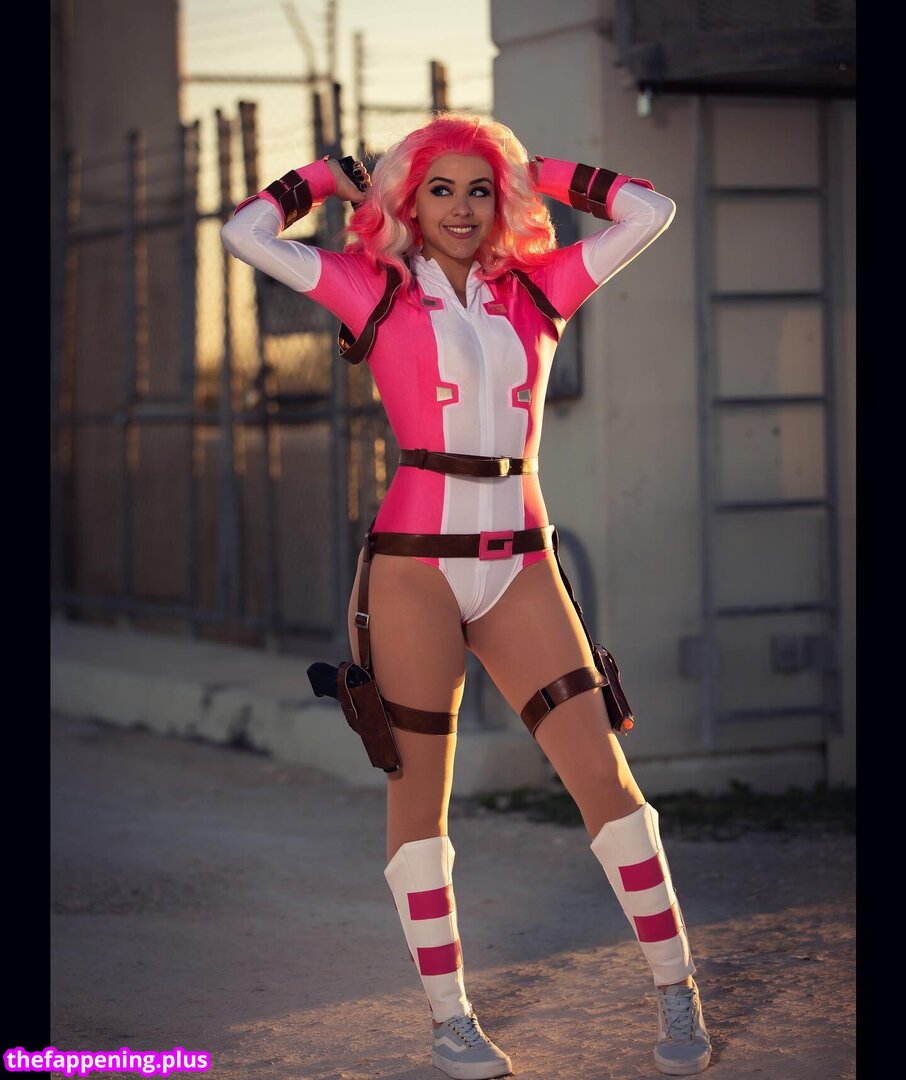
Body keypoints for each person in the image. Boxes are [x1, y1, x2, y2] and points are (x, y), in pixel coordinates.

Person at [221, 111, 711, 1079]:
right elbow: (245, 234)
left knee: (609, 783)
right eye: (438, 189)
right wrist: (323, 179)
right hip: (413, 570)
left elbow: (649, 213)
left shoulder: (538, 287)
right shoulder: (370, 287)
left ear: (501, 201)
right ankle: (451, 1020)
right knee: (420, 802)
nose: (459, 207)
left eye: (479, 190)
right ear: (407, 201)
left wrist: (536, 167)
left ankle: (676, 988)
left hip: (522, 564)